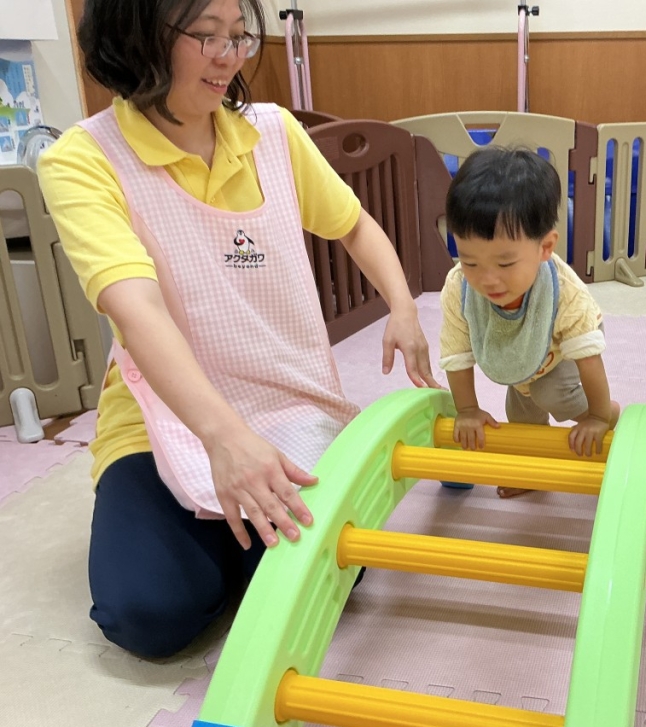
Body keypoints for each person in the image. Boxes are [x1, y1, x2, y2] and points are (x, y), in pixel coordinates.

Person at [37, 0, 439, 659]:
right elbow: (137, 309)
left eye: (239, 36)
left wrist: (403, 307)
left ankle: (226, 537)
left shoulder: (273, 134)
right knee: (149, 617)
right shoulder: (83, 159)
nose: (229, 57)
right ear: (137, 36)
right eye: (206, 36)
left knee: (321, 589)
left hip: (285, 402)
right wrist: (225, 439)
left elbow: (355, 225)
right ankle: (204, 534)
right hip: (161, 418)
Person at [439, 147, 619, 498]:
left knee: (550, 393)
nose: (488, 279)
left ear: (545, 247)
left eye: (505, 264)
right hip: (520, 352)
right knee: (520, 412)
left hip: (563, 345)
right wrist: (468, 410)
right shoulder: (460, 288)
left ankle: (611, 413)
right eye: (470, 261)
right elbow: (457, 354)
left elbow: (588, 359)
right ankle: (533, 470)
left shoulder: (564, 293)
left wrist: (597, 417)